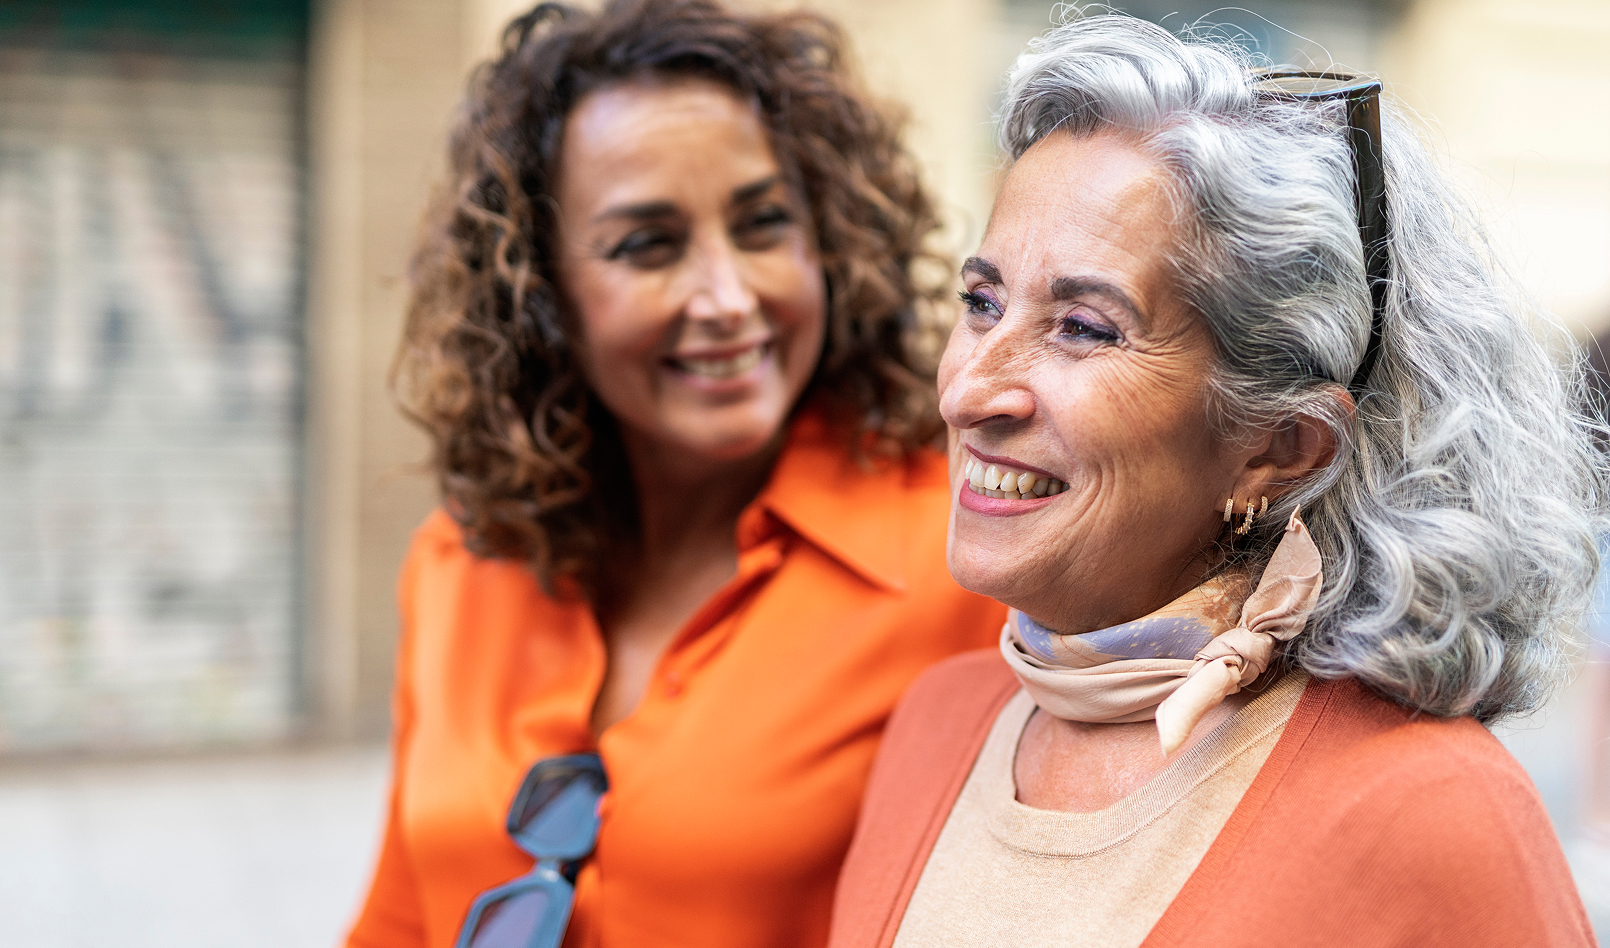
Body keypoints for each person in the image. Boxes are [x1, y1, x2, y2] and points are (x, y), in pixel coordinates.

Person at [829, 14, 1602, 948]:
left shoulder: (1429, 808)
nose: (968, 389)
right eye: (982, 303)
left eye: (1083, 326)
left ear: (1282, 446)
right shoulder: (934, 729)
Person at [344, 2, 1006, 946]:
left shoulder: (964, 557)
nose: (729, 299)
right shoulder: (459, 557)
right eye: (648, 245)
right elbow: (400, 916)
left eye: (763, 225)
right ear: (542, 296)